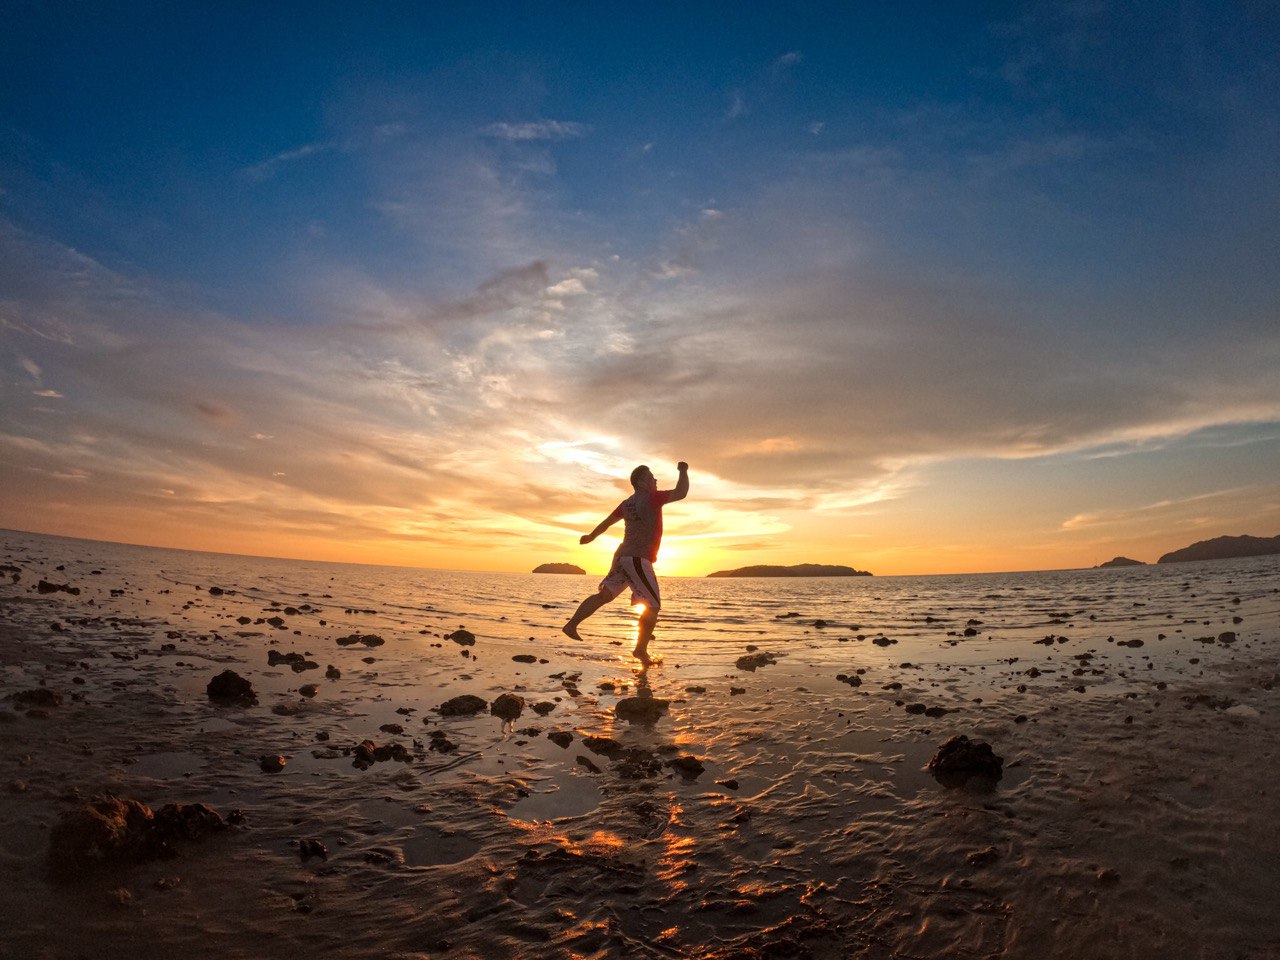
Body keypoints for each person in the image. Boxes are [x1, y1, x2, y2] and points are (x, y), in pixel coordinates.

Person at [562, 461, 689, 664]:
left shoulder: (626, 503)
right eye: (651, 477)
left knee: (604, 596)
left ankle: (571, 625)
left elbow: (606, 523)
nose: (655, 480)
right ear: (641, 482)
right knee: (653, 606)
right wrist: (683, 470)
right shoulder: (653, 498)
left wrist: (591, 537)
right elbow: (681, 492)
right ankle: (640, 650)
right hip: (638, 559)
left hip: (622, 557)